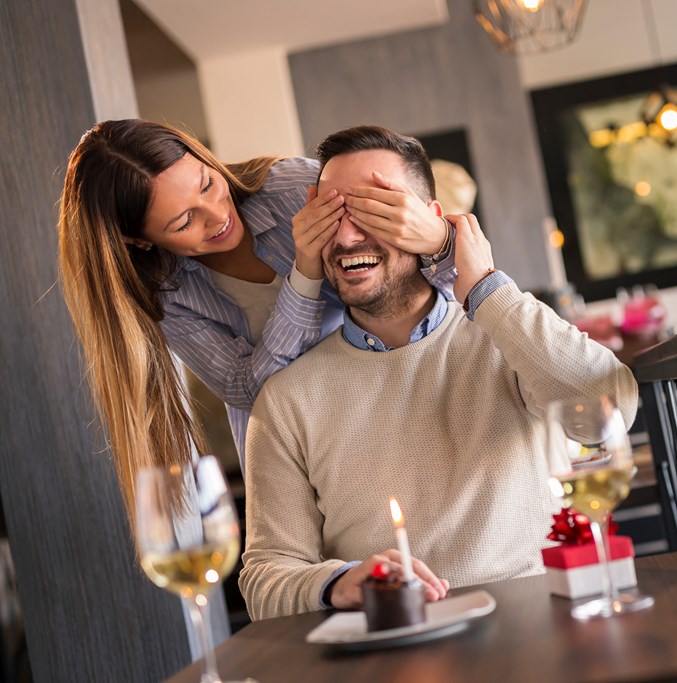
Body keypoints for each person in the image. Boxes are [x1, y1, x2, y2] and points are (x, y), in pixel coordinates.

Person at [239, 126, 638, 620]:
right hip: (392, 646)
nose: (345, 236)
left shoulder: (507, 339)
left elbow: (608, 410)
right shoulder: (285, 400)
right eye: (331, 214)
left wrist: (485, 286)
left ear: (428, 222)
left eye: (373, 209)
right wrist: (338, 582)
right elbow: (264, 579)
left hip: (537, 630)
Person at [57, 119, 456, 517]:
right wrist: (305, 274)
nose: (216, 216)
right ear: (139, 240)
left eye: (207, 185)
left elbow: (423, 277)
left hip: (387, 416)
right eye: (184, 222)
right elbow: (247, 389)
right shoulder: (164, 293)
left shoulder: (292, 190)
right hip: (296, 465)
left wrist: (439, 235)